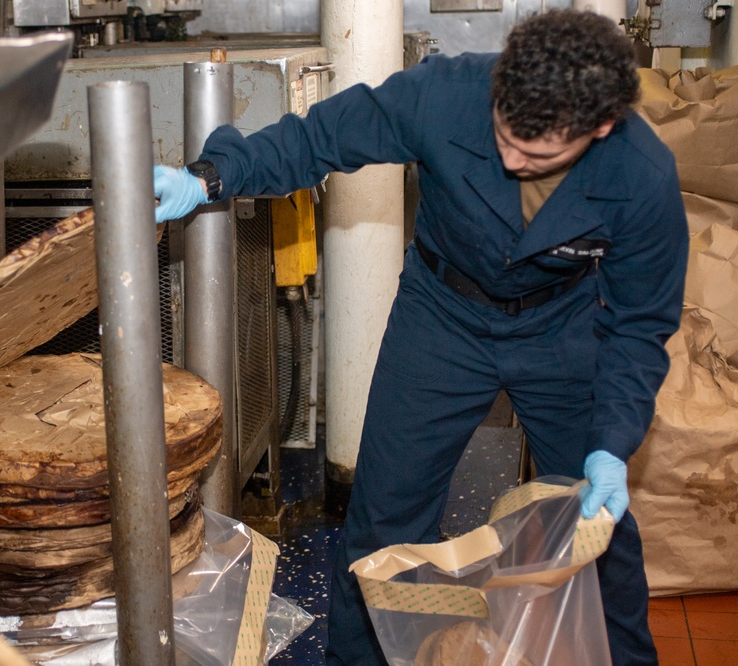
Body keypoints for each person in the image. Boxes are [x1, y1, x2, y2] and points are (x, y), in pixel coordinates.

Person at [154, 9, 688, 665]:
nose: (515, 160)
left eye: (539, 154)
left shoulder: (642, 175)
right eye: (505, 137)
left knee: (597, 525)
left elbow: (639, 325)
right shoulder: (443, 94)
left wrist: (613, 441)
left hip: (561, 326)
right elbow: (320, 137)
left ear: (601, 128)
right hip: (445, 314)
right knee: (381, 521)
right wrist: (210, 176)